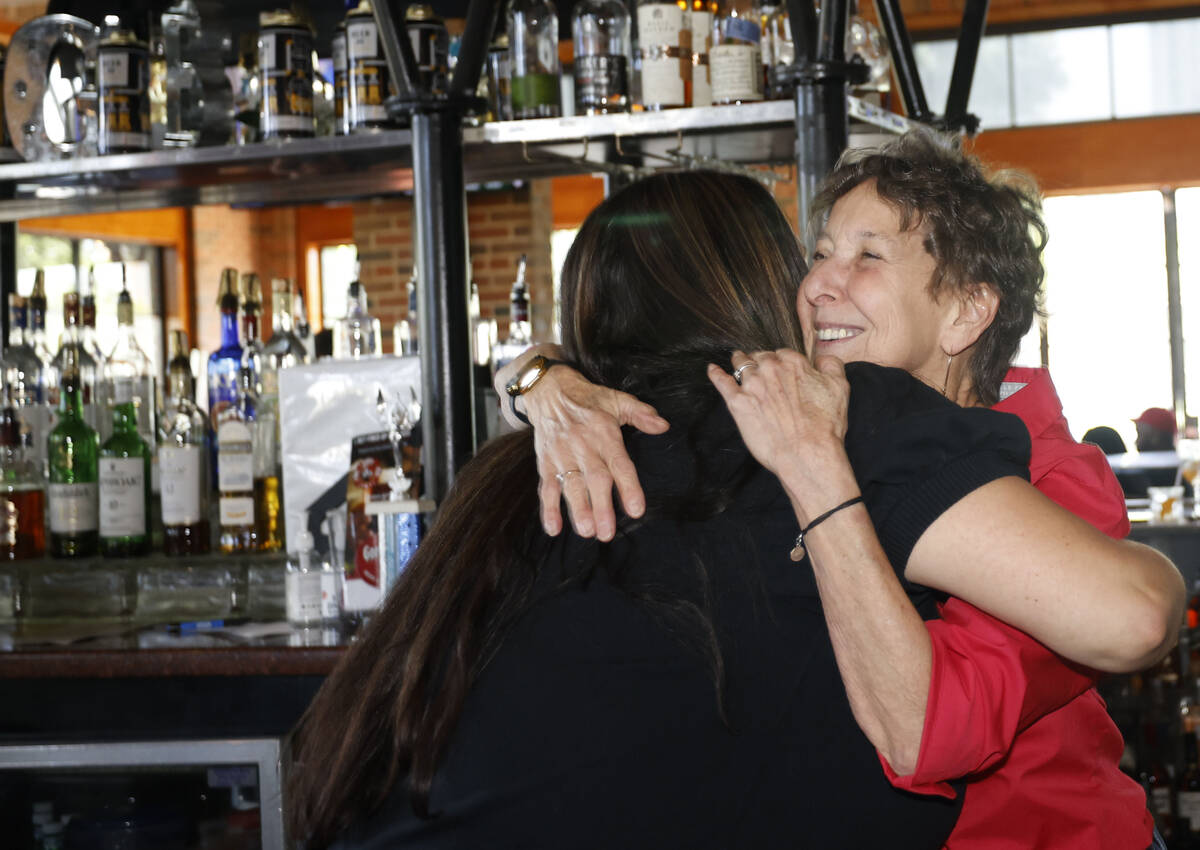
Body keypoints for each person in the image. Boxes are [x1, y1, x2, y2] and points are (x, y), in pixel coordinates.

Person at [497, 132, 1183, 849]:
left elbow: (932, 732)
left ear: (966, 313)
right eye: (820, 253)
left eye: (868, 256)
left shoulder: (1048, 480)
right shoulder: (828, 408)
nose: (820, 283)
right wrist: (543, 380)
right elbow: (640, 352)